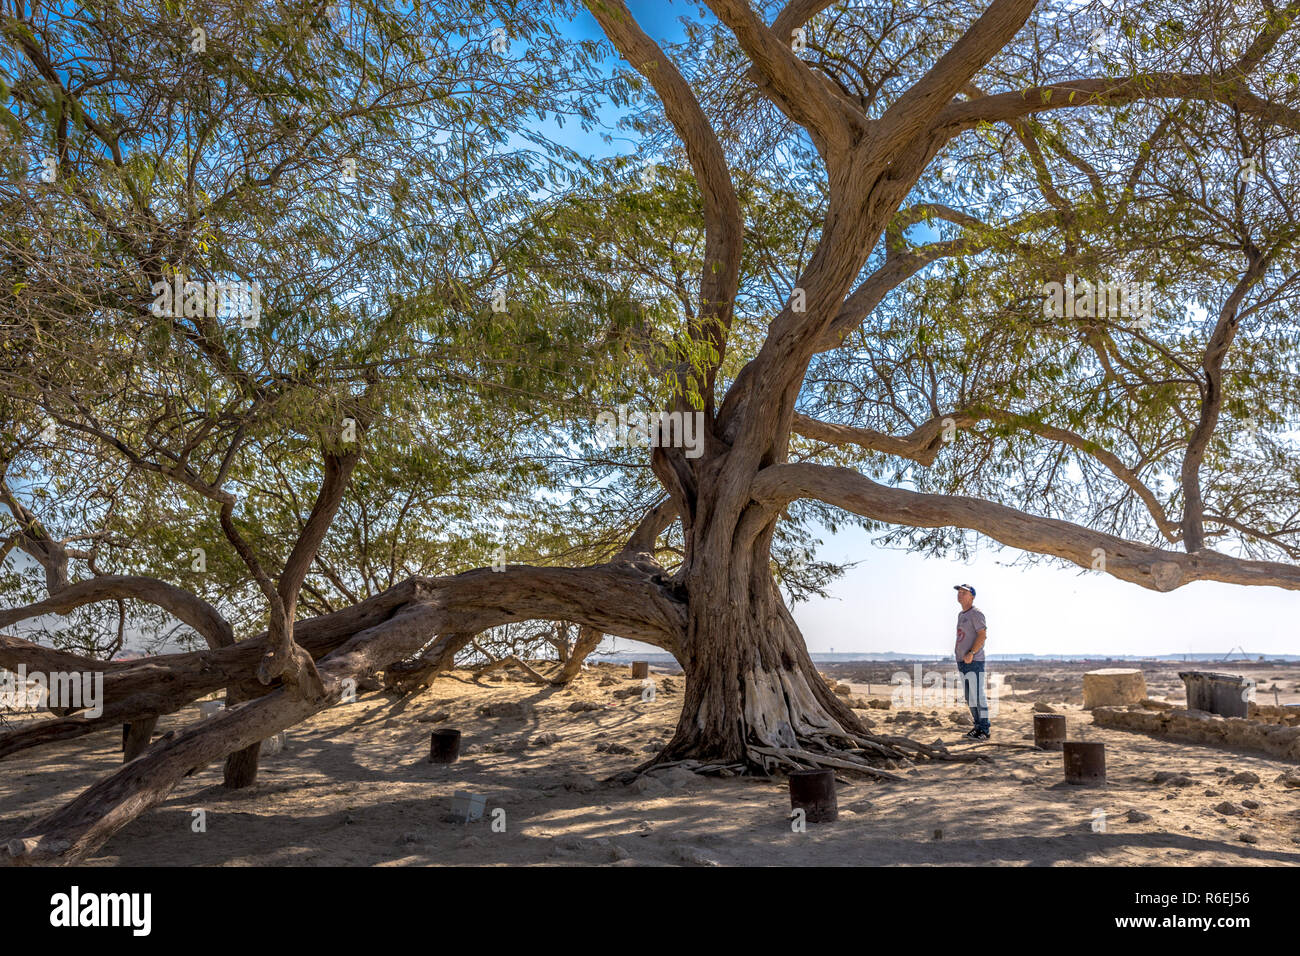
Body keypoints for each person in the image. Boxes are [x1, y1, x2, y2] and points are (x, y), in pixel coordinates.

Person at [953, 584, 990, 740]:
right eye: (959, 592)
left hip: (974, 661)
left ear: (972, 596)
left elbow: (982, 635)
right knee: (970, 696)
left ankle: (984, 730)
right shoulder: (962, 614)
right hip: (962, 661)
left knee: (977, 695)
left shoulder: (976, 613)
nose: (960, 595)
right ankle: (977, 727)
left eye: (964, 592)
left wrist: (971, 653)